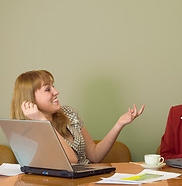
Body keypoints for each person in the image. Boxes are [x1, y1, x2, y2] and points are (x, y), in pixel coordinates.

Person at [10, 70, 145, 164]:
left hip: (87, 179)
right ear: (30, 99)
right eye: (47, 89)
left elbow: (94, 155)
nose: (56, 92)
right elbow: (71, 160)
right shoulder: (26, 129)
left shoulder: (68, 113)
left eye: (53, 86)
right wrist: (43, 121)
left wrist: (119, 124)